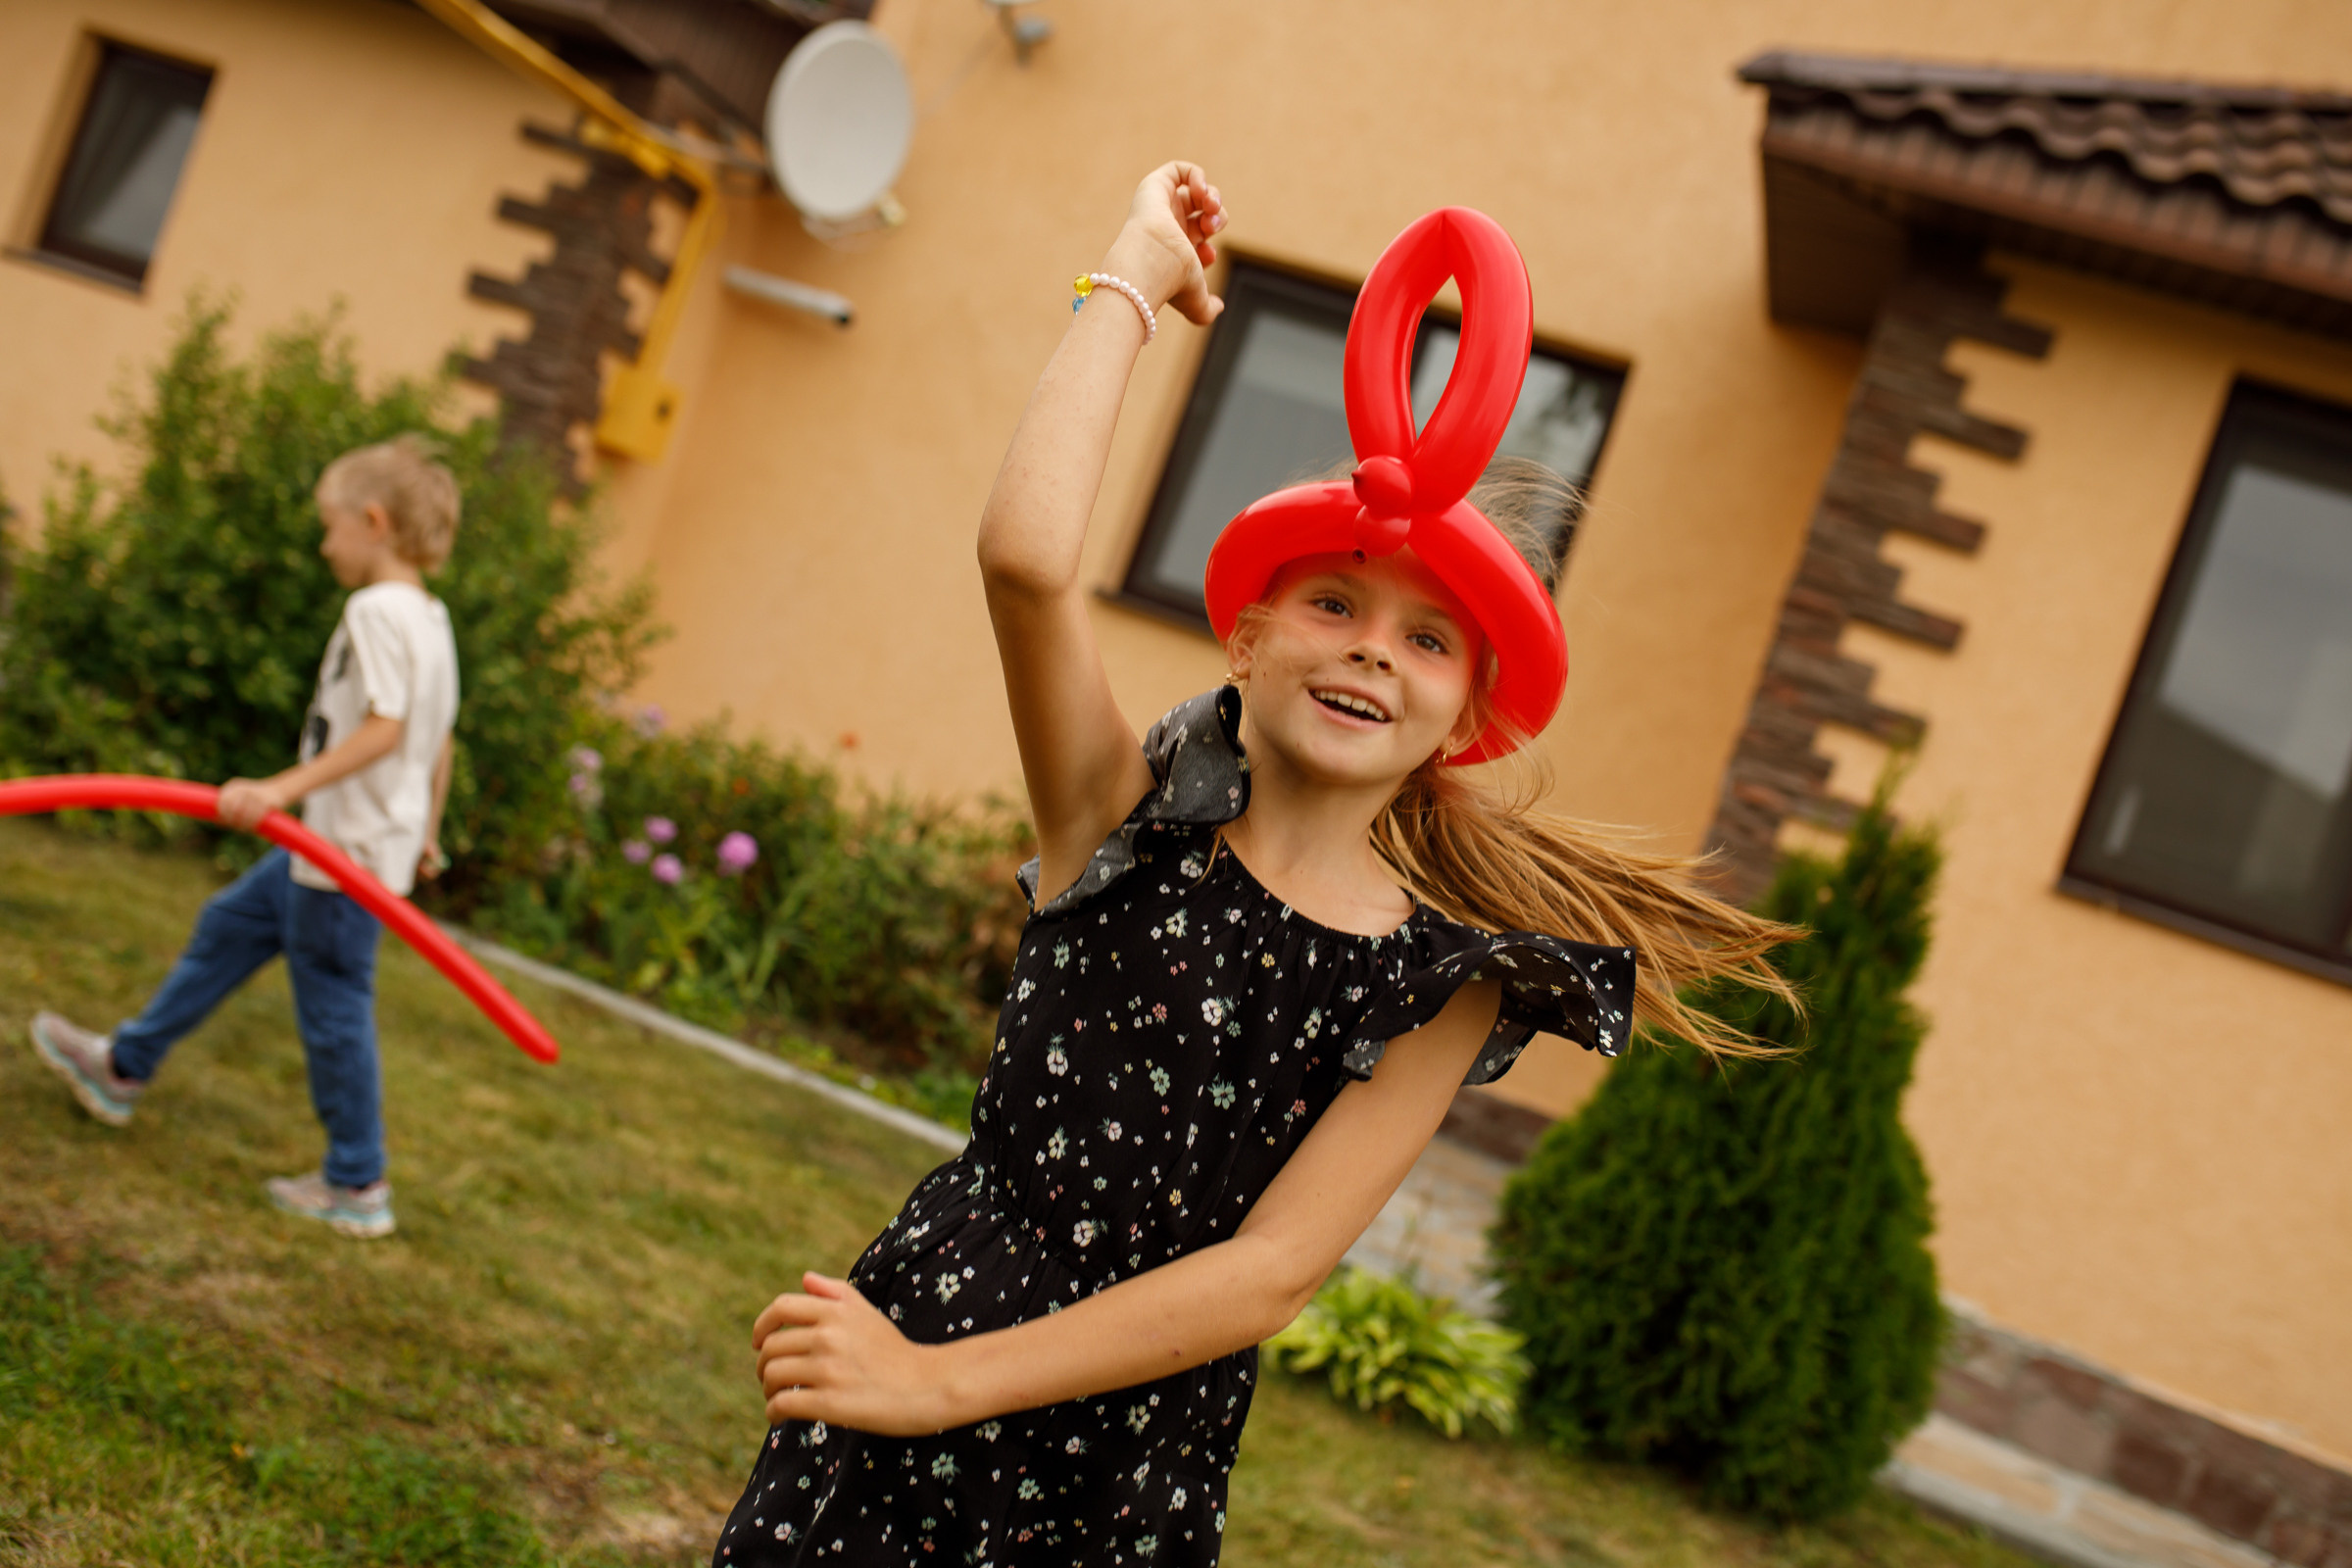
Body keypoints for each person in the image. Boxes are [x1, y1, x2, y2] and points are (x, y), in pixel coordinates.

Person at [709, 164, 1797, 1566]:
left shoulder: (1442, 985)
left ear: (1463, 721)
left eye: (1423, 640)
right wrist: (1130, 281)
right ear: (1247, 638)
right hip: (921, 1325)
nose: (1367, 649)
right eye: (1333, 603)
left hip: (1117, 1457)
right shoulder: (1118, 820)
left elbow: (1268, 1275)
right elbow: (1029, 562)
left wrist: (939, 1389)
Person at [30, 434, 463, 1242]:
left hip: (344, 857)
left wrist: (276, 793)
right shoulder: (431, 617)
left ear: (373, 522)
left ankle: (356, 1181)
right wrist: (428, 830)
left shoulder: (376, 610)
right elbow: (437, 739)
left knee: (335, 1015)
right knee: (228, 926)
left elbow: (387, 728)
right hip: (343, 845)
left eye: (329, 526)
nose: (323, 542)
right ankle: (122, 1068)